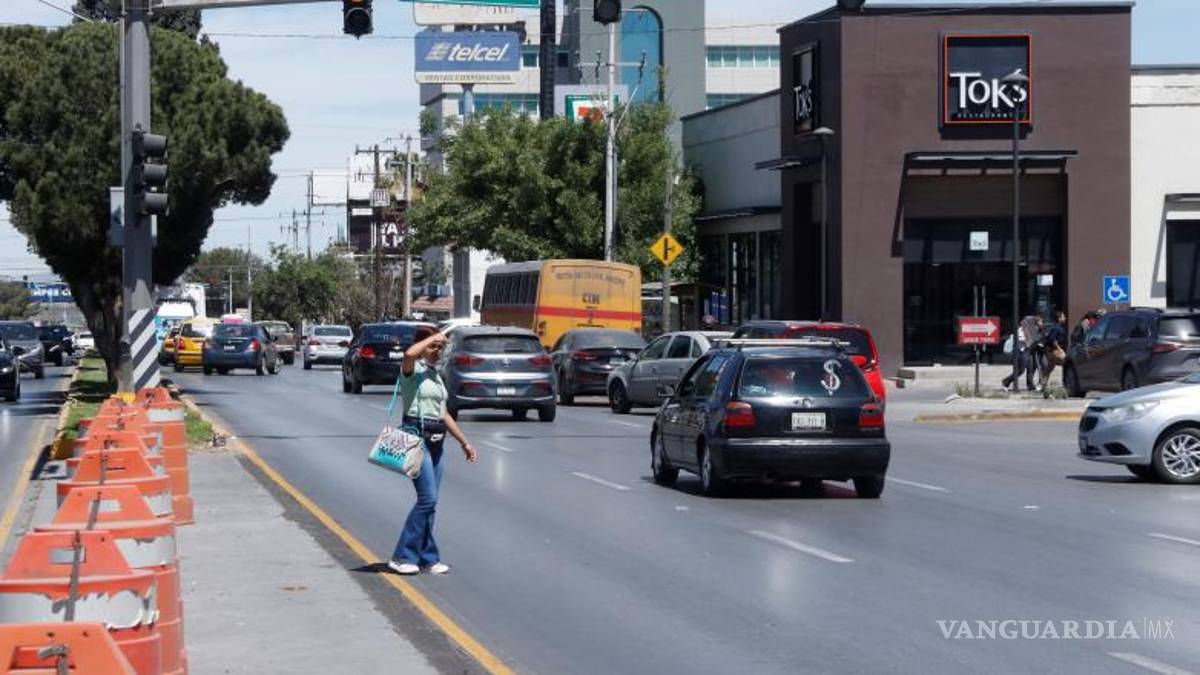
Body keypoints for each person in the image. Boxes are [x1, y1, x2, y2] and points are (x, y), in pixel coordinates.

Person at [388, 327, 477, 576]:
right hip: (416, 438)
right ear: (422, 346)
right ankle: (402, 556)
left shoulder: (434, 375)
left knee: (431, 503)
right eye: (432, 347)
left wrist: (464, 442)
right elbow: (409, 354)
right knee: (427, 499)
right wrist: (431, 338)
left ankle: (427, 558)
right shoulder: (411, 371)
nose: (437, 351)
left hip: (437, 441)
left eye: (440, 348)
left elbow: (443, 413)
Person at [1040, 311, 1068, 392]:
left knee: (1049, 368)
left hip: (1051, 351)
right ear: (1059, 318)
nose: (1065, 318)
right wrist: (1059, 349)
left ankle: (1043, 385)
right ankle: (1067, 384)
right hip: (1055, 350)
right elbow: (1053, 339)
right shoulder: (1057, 328)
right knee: (1067, 364)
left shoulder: (1055, 327)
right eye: (1063, 317)